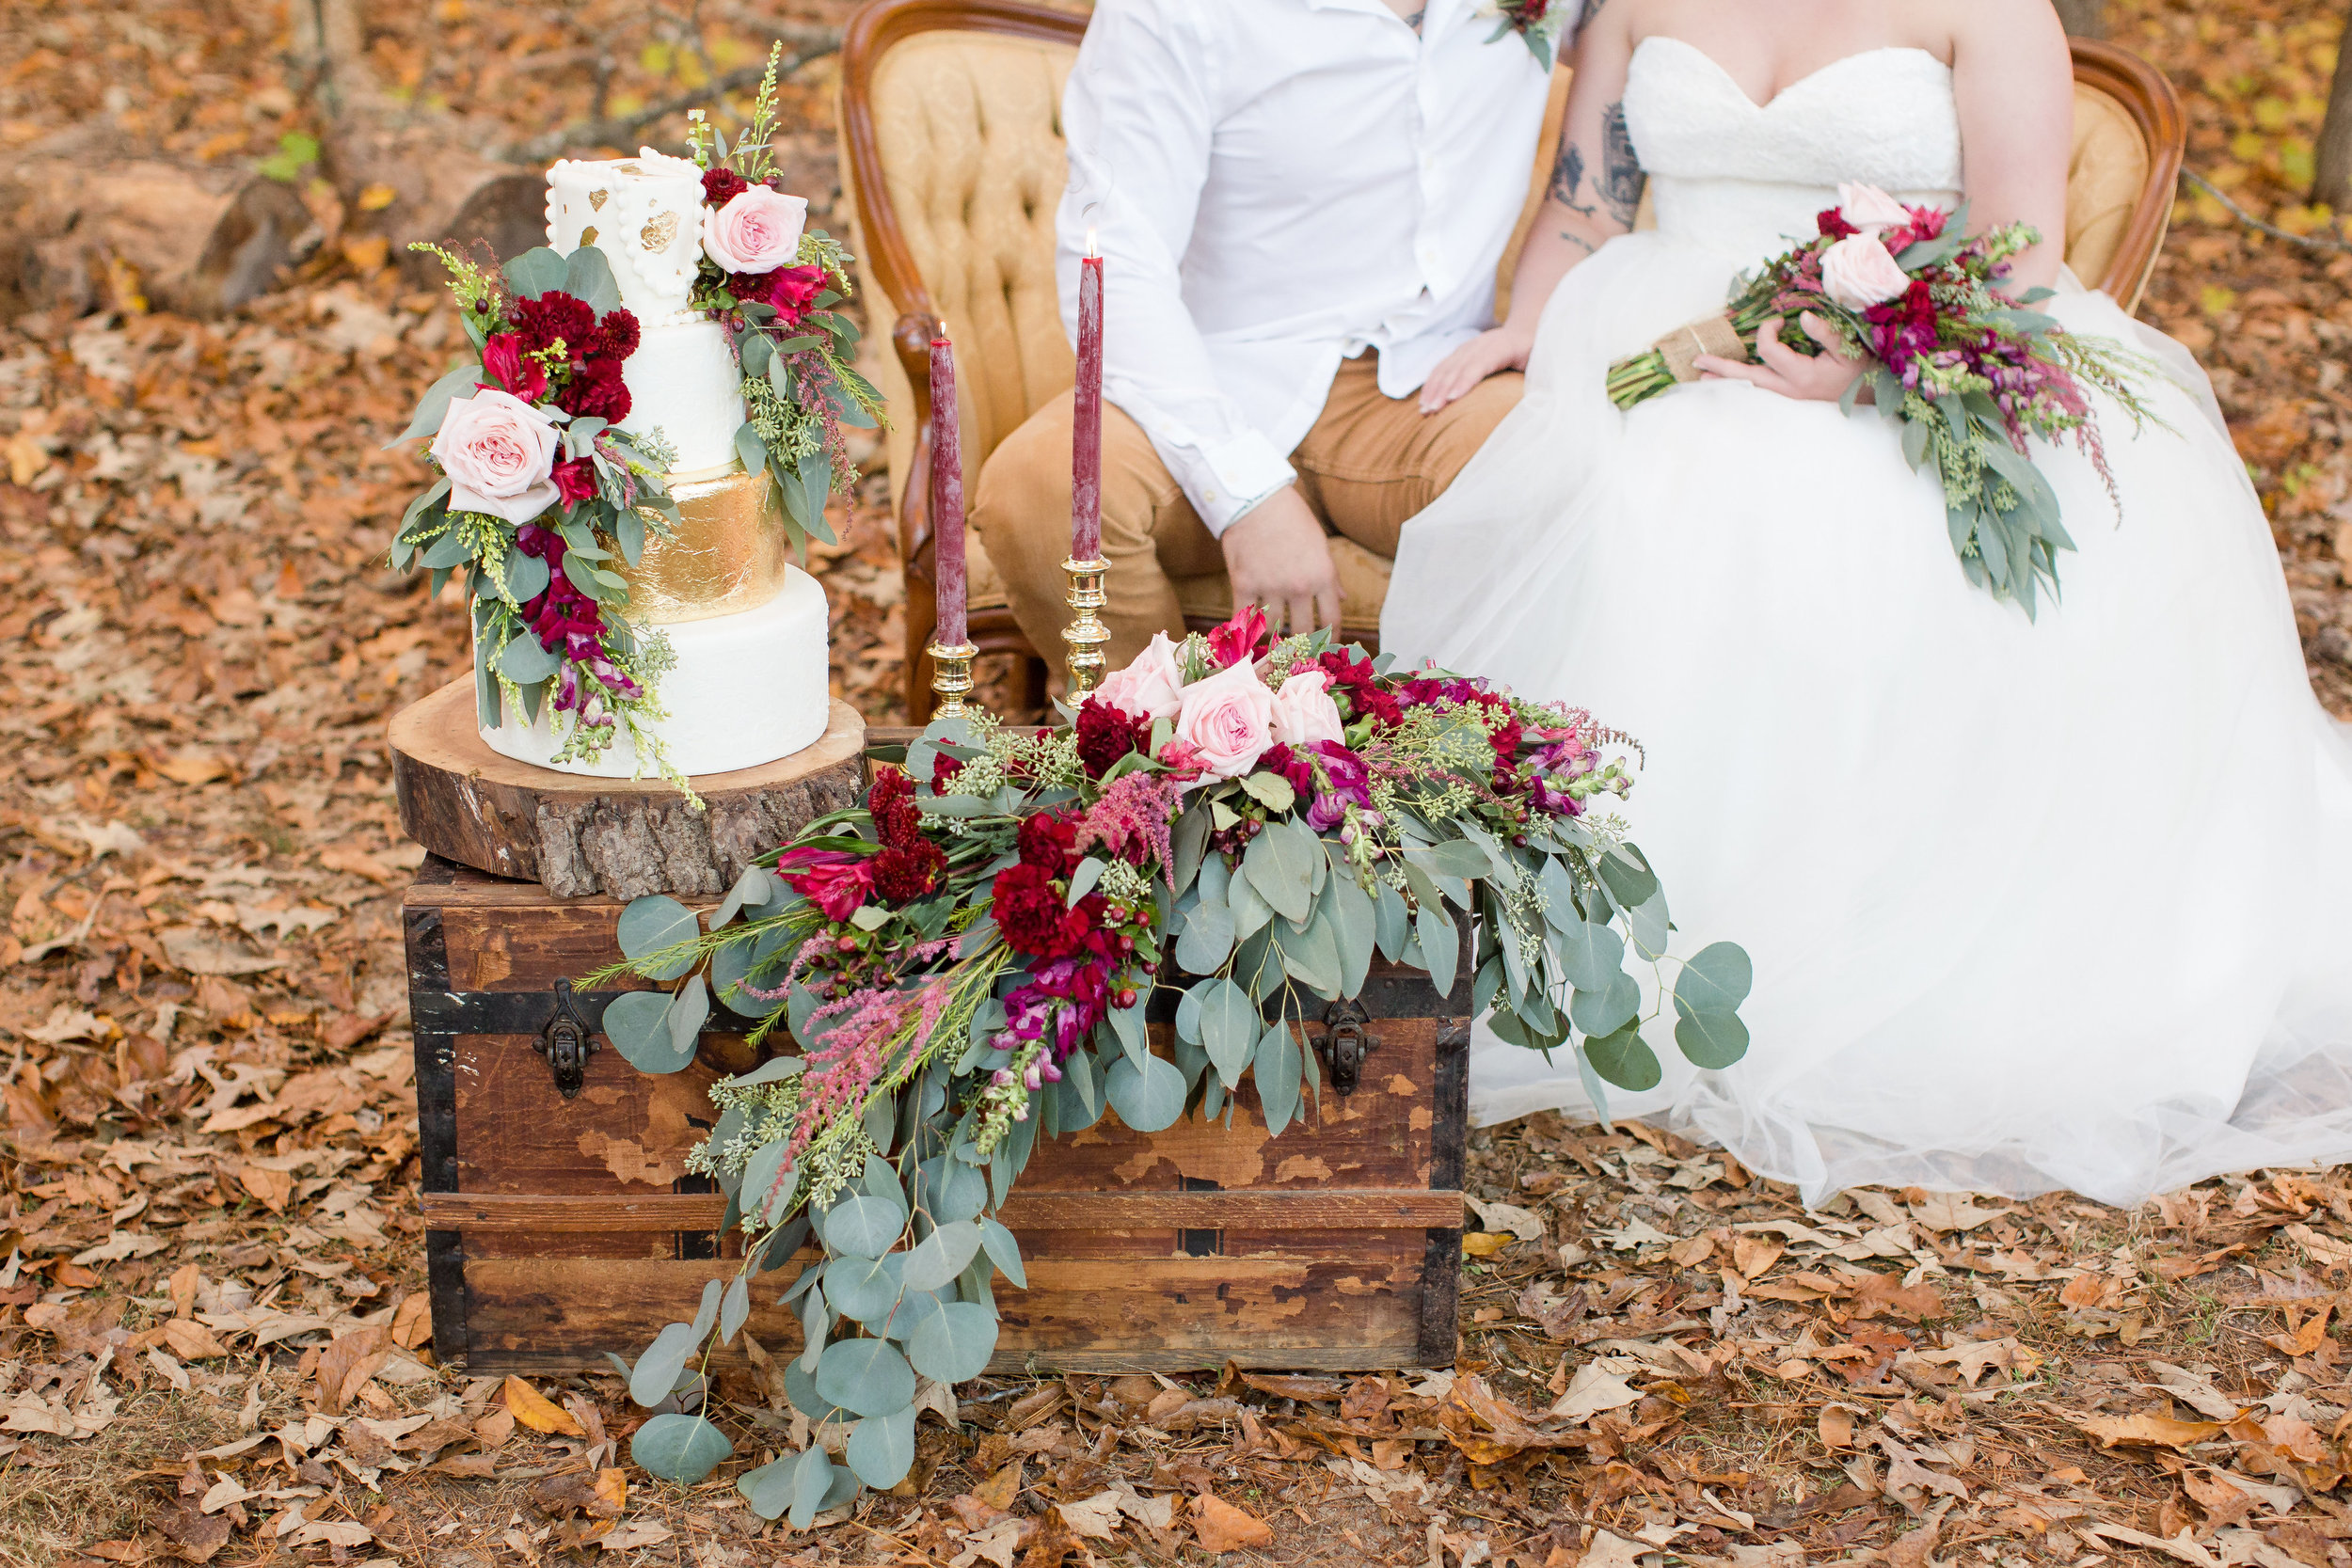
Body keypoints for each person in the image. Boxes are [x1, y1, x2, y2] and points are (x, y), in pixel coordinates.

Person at [1382, 0, 2352, 1205]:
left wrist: (1863, 366)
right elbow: (1585, 205)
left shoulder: (1992, 13)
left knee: (1790, 515)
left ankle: (1812, 954)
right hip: (1650, 334)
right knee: (1647, 486)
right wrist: (1528, 325)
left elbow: (2015, 255)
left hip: (1895, 353)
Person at [970, 0, 1555, 670]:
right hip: (1214, 371)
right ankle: (1165, 760)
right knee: (1039, 491)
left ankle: (1470, 761)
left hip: (1429, 380)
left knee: (1554, 460)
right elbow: (1114, 264)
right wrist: (1243, 489)